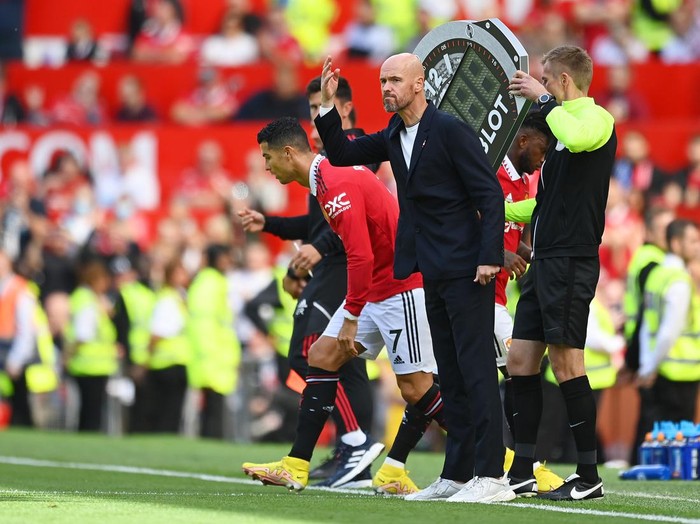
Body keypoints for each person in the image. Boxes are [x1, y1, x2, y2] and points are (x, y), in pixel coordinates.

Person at [315, 54, 512, 503]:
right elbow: (343, 153)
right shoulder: (393, 135)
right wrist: (328, 108)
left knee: (477, 370)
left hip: (468, 269)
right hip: (430, 271)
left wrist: (489, 257)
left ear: (420, 84)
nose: (386, 87)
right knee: (452, 375)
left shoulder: (450, 130)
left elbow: (489, 193)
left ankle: (493, 477)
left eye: (395, 80)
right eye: (382, 80)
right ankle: (458, 475)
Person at [241, 117, 447, 495]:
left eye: (269, 158)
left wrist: (351, 317)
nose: (267, 167)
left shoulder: (335, 183)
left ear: (289, 153)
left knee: (417, 390)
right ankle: (296, 464)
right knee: (321, 354)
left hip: (401, 288)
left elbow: (361, 256)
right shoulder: (325, 181)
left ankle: (495, 458)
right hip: (376, 288)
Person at [238, 76, 380, 491]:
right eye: (313, 109)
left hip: (347, 266)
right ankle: (350, 454)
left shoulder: (351, 152)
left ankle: (356, 445)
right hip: (337, 264)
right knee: (337, 359)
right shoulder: (319, 164)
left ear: (344, 107)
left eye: (323, 107)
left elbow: (350, 220)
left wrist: (316, 251)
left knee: (313, 352)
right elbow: (320, 222)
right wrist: (274, 226)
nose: (316, 119)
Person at [505, 45, 617, 500]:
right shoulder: (562, 131)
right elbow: (546, 205)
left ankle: (589, 476)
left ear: (564, 81)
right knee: (519, 362)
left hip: (571, 260)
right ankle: (523, 469)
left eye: (546, 80)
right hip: (547, 261)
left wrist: (542, 101)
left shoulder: (595, 120)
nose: (542, 86)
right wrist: (503, 210)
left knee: (568, 363)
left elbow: (581, 138)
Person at [636, 219, 700, 453]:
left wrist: (646, 366)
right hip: (679, 372)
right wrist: (651, 367)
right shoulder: (679, 280)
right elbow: (669, 331)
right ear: (675, 243)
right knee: (674, 446)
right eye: (692, 241)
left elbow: (647, 326)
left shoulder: (658, 274)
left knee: (654, 439)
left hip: (658, 367)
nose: (697, 246)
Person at [187, 244, 241, 438]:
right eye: (225, 257)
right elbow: (205, 320)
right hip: (213, 353)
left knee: (212, 405)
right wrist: (211, 351)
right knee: (214, 406)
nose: (229, 261)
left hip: (214, 352)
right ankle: (210, 437)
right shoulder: (211, 282)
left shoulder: (210, 281)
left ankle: (209, 437)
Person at [64, 259, 118, 431]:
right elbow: (83, 334)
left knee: (91, 409)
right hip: (89, 365)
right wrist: (68, 356)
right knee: (91, 411)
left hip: (93, 364)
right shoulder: (87, 300)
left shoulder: (91, 299)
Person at [145, 259, 191, 433]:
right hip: (166, 362)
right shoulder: (168, 299)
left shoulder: (181, 296)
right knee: (166, 408)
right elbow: (157, 333)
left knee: (174, 408)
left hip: (177, 360)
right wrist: (147, 357)